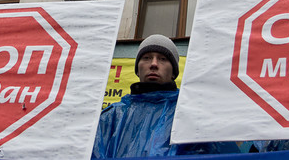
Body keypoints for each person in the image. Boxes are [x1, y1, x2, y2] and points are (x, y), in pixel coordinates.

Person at [92, 34, 238, 158]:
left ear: (174, 72)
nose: (154, 64)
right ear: (137, 70)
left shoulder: (193, 111)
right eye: (147, 58)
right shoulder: (111, 116)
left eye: (162, 59)